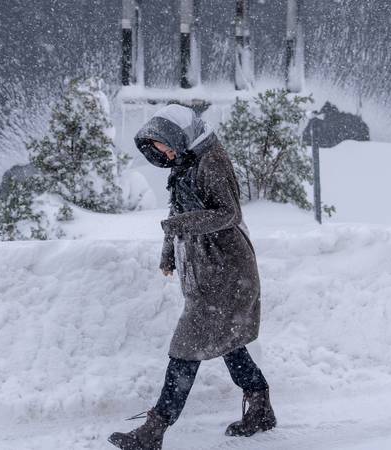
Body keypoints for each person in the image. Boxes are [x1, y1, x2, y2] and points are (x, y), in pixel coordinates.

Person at [108, 104, 276, 450]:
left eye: (164, 145)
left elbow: (228, 214)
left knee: (184, 350)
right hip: (209, 273)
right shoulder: (187, 161)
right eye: (156, 149)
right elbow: (179, 212)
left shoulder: (210, 161)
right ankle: (259, 406)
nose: (163, 153)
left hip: (227, 273)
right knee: (229, 343)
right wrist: (169, 250)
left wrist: (177, 227)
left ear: (178, 136)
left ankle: (155, 430)